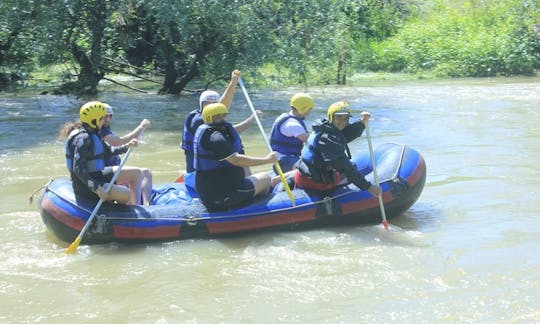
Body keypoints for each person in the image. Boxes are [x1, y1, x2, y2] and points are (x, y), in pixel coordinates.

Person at [181, 69, 259, 197]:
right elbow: (224, 106)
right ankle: (251, 191)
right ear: (201, 106)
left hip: (208, 175)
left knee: (239, 152)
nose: (212, 107)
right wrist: (233, 82)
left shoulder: (214, 123)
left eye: (214, 104)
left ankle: (250, 185)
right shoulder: (198, 121)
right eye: (208, 104)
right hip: (196, 177)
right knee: (237, 159)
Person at [61, 101, 150, 205]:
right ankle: (120, 212)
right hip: (86, 185)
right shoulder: (83, 138)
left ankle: (136, 207)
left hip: (97, 174)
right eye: (102, 118)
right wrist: (97, 188)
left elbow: (108, 152)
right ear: (94, 120)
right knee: (126, 194)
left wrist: (127, 146)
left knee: (136, 172)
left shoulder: (94, 132)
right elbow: (78, 168)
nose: (105, 121)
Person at [193, 103, 278, 211]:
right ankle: (255, 209)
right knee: (266, 178)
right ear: (209, 118)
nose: (222, 119)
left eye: (223, 115)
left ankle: (250, 191)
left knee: (246, 167)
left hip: (209, 191)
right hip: (224, 196)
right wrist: (267, 160)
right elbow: (236, 160)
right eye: (217, 117)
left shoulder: (206, 131)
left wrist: (252, 119)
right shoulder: (217, 138)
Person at [295, 101, 381, 197]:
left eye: (345, 119)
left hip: (309, 174)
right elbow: (345, 167)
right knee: (352, 167)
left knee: (352, 167)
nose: (342, 122)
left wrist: (362, 122)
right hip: (314, 183)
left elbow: (346, 134)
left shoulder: (325, 127)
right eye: (338, 117)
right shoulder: (327, 139)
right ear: (331, 117)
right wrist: (368, 187)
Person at [100, 103, 153, 204]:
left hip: (115, 171)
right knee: (137, 173)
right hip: (107, 174)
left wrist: (127, 146)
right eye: (104, 116)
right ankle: (134, 207)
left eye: (109, 116)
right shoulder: (101, 132)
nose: (107, 119)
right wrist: (141, 127)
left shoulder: (106, 130)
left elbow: (115, 148)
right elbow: (120, 141)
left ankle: (147, 205)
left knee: (146, 172)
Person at [269, 93, 313, 172]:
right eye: (309, 110)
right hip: (285, 162)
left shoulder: (285, 117)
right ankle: (276, 180)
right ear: (303, 109)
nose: (309, 113)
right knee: (310, 170)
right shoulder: (293, 124)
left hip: (280, 161)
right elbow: (310, 140)